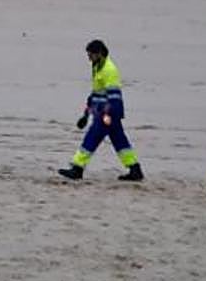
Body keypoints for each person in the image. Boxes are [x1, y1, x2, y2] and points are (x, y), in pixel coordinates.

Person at [58, 39, 144, 181]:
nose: (89, 58)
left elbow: (114, 96)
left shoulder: (109, 70)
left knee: (91, 138)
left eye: (90, 55)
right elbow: (96, 93)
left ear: (99, 54)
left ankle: (77, 168)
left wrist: (107, 115)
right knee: (120, 141)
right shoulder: (98, 67)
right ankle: (135, 169)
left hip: (107, 113)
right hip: (105, 112)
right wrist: (85, 114)